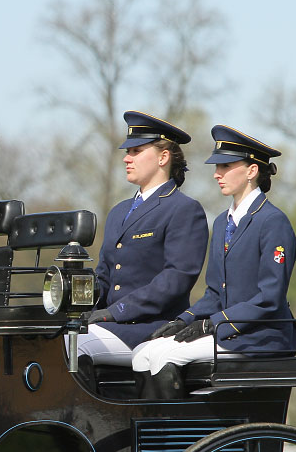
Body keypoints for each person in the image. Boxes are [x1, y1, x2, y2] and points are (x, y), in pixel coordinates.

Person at [131, 125, 296, 398]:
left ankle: (176, 438)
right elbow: (215, 292)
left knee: (165, 356)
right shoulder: (222, 222)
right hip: (228, 332)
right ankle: (157, 437)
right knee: (143, 353)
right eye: (217, 167)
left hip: (260, 337)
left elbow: (269, 298)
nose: (216, 174)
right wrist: (184, 319)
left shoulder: (273, 223)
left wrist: (213, 323)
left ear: (252, 171)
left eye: (225, 166)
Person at [76, 111, 208, 370]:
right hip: (109, 324)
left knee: (73, 346)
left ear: (163, 157)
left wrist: (114, 312)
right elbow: (105, 275)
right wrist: (76, 300)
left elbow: (175, 280)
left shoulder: (183, 209)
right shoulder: (118, 212)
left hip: (152, 328)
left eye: (136, 151)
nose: (127, 158)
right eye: (128, 151)